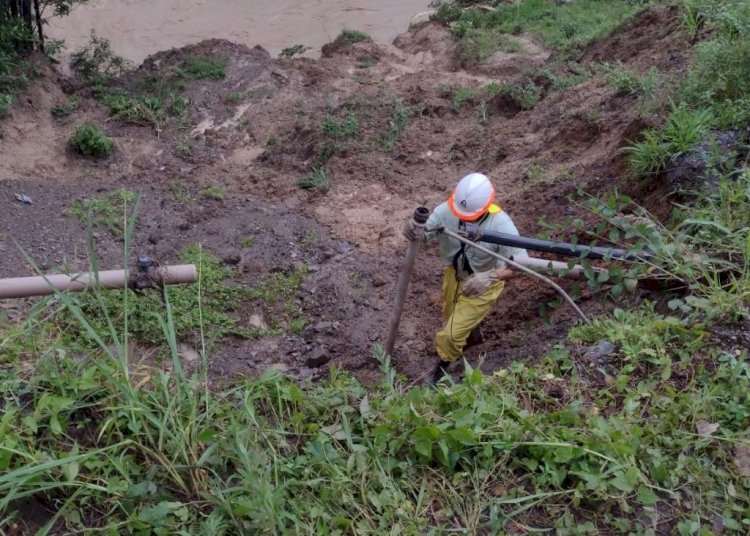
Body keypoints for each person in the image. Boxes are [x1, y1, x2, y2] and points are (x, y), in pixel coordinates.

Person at [402, 172, 528, 383]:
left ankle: (442, 368)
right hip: (454, 274)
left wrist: (491, 276)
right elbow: (424, 234)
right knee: (451, 315)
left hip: (485, 282)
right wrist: (413, 230)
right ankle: (472, 335)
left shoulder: (500, 224)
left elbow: (521, 264)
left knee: (450, 335)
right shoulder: (447, 211)